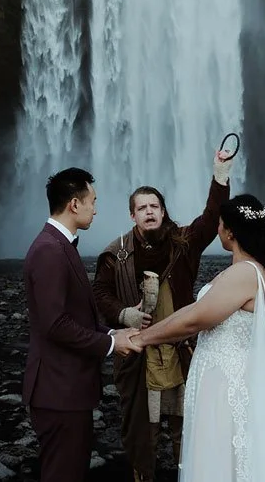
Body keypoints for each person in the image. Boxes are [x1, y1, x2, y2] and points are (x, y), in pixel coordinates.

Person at [127, 194, 265, 481]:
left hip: (229, 388)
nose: (217, 230)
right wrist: (144, 333)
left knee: (225, 462)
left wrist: (140, 340)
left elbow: (196, 319)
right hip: (228, 381)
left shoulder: (245, 273)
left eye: (220, 224)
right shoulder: (250, 270)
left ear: (230, 231)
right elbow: (195, 311)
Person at [92, 150, 233, 482]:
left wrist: (221, 174)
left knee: (187, 430)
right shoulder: (115, 254)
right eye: (142, 208)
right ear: (132, 216)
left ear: (163, 211)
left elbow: (212, 218)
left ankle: (191, 475)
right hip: (138, 357)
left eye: (154, 206)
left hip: (181, 351)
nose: (149, 211)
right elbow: (99, 293)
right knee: (143, 433)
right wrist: (123, 314)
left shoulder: (183, 242)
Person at [21, 167, 142, 482]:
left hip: (65, 390)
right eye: (93, 201)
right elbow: (55, 325)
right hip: (58, 391)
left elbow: (74, 318)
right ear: (74, 204)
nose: (96, 208)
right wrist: (112, 345)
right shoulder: (50, 250)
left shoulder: (60, 246)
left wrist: (113, 331)